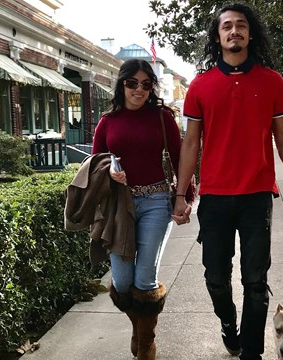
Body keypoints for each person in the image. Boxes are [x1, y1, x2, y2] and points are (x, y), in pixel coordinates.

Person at [171, 4, 283, 360]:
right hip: (215, 197)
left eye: (241, 26)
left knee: (255, 282)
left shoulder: (272, 81)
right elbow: (190, 143)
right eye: (227, 26)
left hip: (256, 196)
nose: (234, 31)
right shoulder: (201, 86)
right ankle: (228, 323)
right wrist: (182, 195)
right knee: (216, 277)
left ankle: (251, 352)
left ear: (250, 34)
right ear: (217, 36)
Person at [92, 58, 193, 360]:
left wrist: (183, 195)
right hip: (119, 206)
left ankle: (146, 347)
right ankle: (141, 328)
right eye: (132, 83)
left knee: (144, 278)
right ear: (121, 84)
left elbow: (179, 157)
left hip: (155, 202)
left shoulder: (162, 117)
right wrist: (109, 170)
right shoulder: (108, 121)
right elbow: (95, 161)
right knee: (122, 282)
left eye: (146, 84)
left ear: (152, 87)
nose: (139, 90)